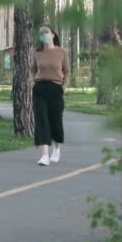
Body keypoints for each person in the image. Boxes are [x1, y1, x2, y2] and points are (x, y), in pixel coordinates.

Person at [31, 26, 70, 166]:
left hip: (55, 89)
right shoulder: (37, 52)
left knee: (56, 121)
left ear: (53, 35)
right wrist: (32, 83)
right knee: (41, 120)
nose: (44, 36)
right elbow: (33, 70)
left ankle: (57, 149)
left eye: (46, 33)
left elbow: (67, 72)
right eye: (41, 34)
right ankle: (45, 156)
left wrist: (63, 88)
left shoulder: (61, 52)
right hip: (40, 89)